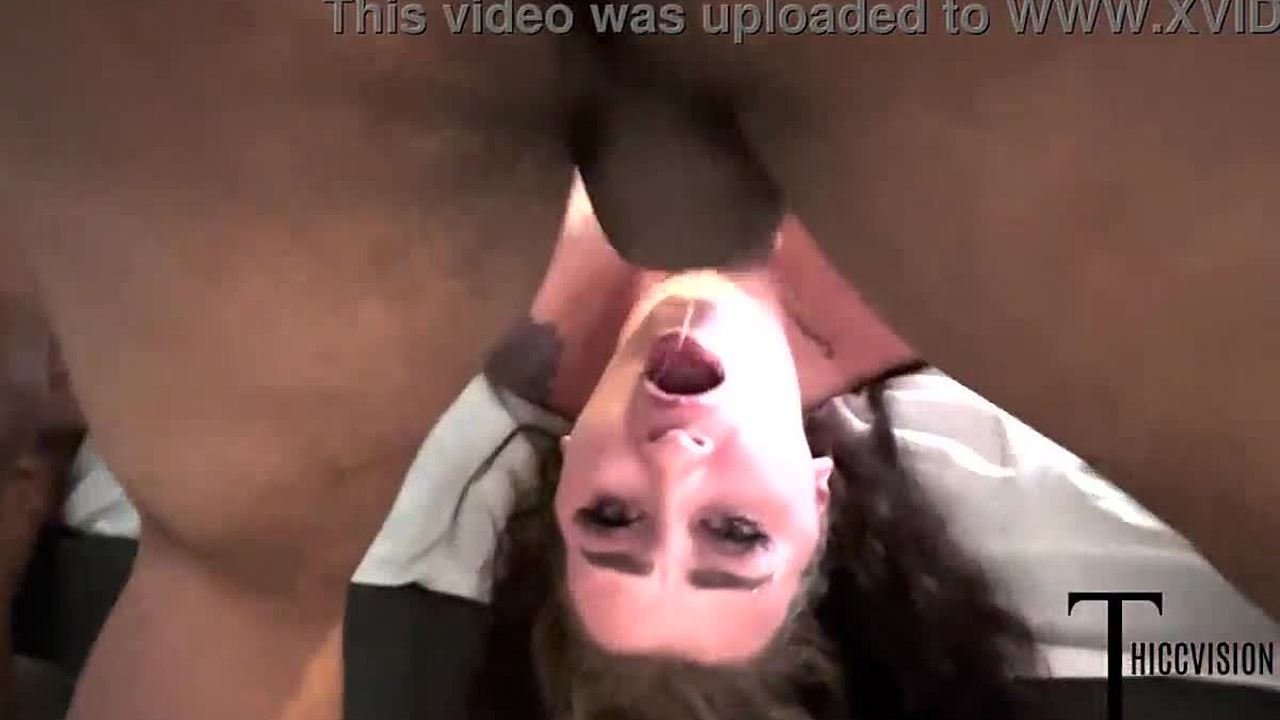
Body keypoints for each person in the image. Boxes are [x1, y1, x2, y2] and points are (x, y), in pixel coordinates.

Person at [2, 8, 1277, 720]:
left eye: (612, 522)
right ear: (818, 502)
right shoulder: (965, 289)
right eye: (731, 534)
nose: (672, 467)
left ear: (558, 483)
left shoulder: (407, 327)